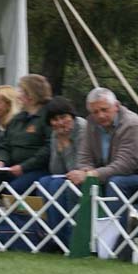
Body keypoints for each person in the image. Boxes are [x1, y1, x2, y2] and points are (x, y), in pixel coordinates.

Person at [68, 87, 138, 208]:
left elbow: (125, 165)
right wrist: (86, 171)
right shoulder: (91, 123)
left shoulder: (132, 125)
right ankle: (72, 221)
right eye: (95, 112)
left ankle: (115, 220)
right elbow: (84, 156)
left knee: (115, 183)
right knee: (63, 183)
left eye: (104, 109)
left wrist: (91, 175)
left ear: (116, 106)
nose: (101, 115)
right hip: (104, 174)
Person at [0, 74, 52, 201]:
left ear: (30, 95)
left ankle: (8, 214)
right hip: (11, 168)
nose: (18, 96)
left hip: (37, 170)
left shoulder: (47, 118)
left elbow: (48, 149)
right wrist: (1, 161)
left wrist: (24, 167)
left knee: (14, 189)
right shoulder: (17, 119)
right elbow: (5, 144)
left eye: (21, 91)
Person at [36, 96, 86, 244]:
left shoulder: (82, 129)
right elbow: (55, 170)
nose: (59, 123)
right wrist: (60, 145)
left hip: (84, 174)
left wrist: (66, 144)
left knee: (56, 185)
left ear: (72, 115)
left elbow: (76, 167)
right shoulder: (55, 133)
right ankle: (53, 233)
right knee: (44, 182)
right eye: (55, 119)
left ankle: (66, 238)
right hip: (67, 175)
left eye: (63, 117)